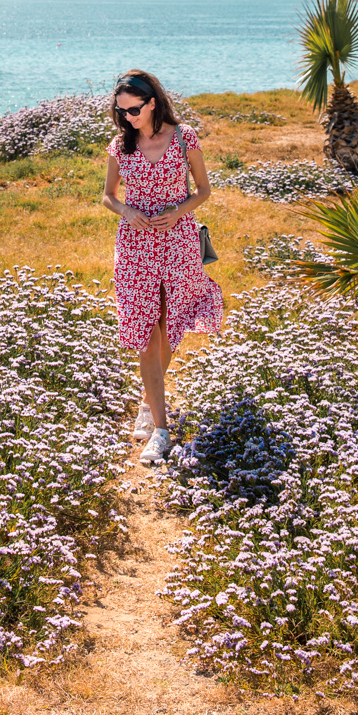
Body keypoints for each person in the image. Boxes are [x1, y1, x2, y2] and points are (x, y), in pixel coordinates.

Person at [102, 70, 223, 464]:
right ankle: (161, 429)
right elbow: (108, 196)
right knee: (146, 334)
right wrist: (127, 210)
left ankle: (147, 401)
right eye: (122, 111)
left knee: (171, 325)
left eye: (134, 110)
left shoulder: (185, 137)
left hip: (178, 240)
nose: (128, 117)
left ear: (152, 102)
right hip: (135, 246)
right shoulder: (122, 145)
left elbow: (203, 191)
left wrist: (176, 211)